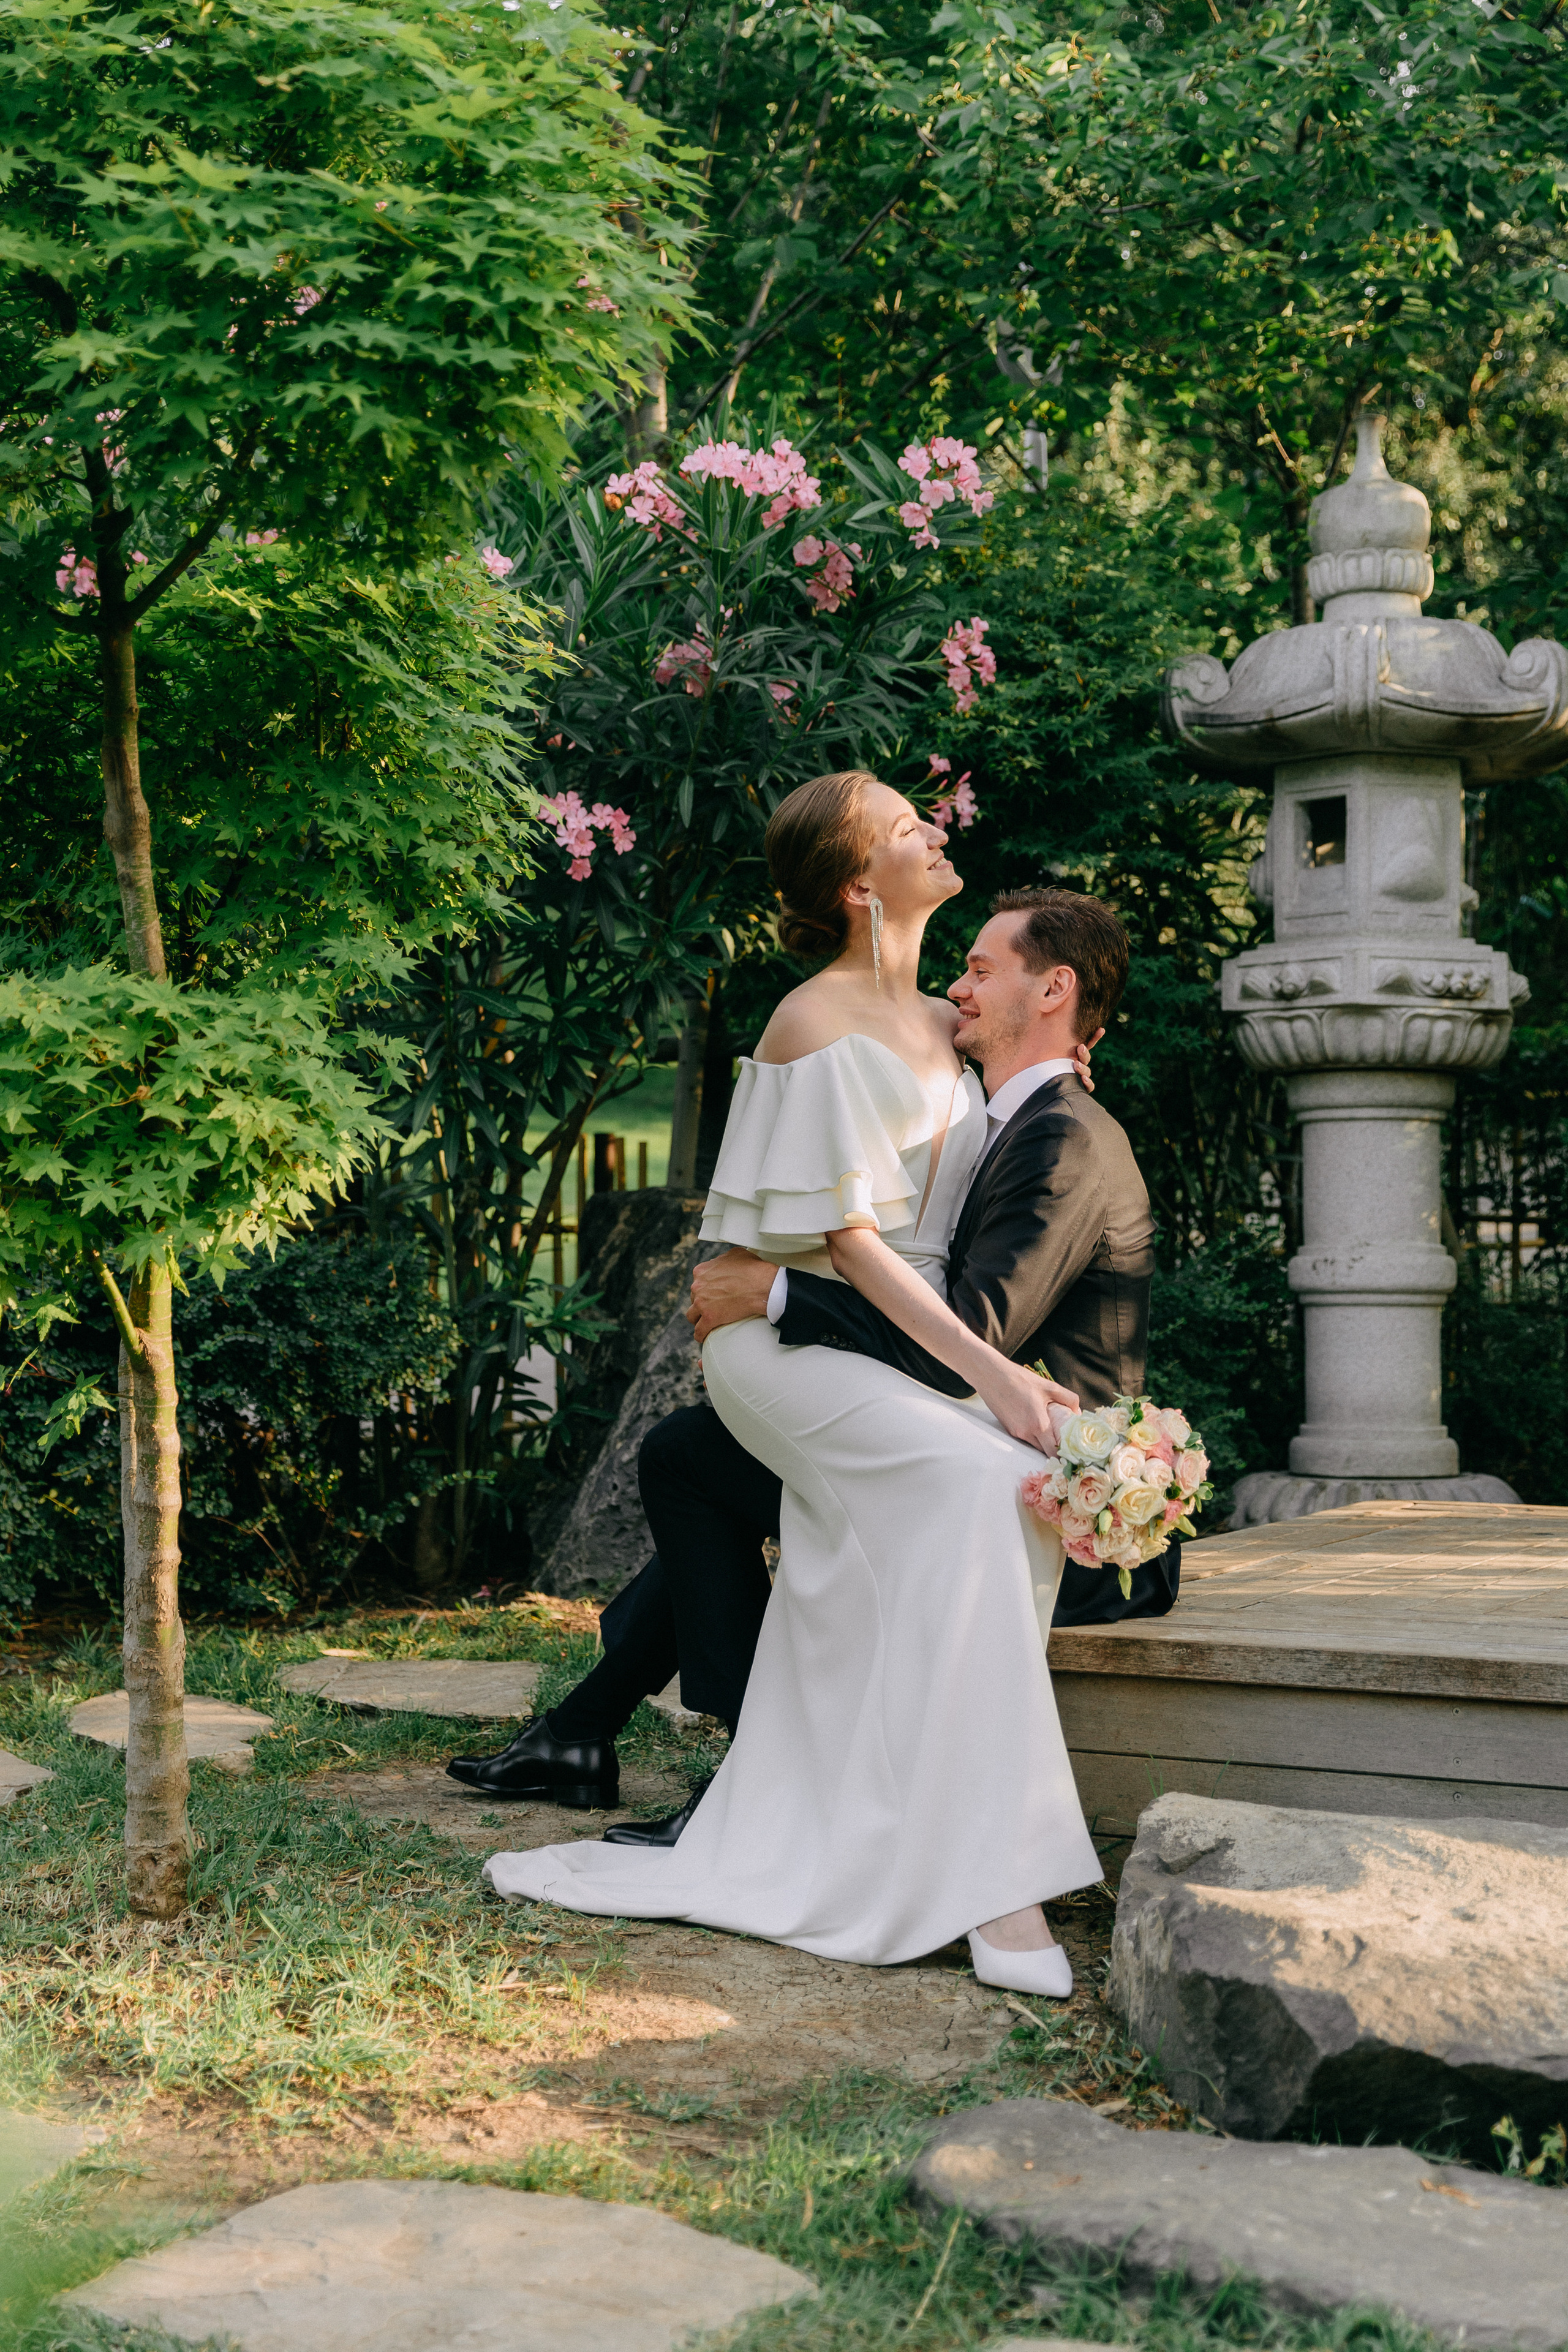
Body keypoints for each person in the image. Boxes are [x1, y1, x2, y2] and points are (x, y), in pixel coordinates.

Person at [478, 768, 1147, 1996]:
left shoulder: (946, 1031)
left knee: (992, 1498)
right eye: (903, 829)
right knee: (984, 1480)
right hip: (786, 1351)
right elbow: (846, 1241)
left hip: (884, 1351)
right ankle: (1003, 1893)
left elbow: (997, 1119)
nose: (931, 831)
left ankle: (853, 1824)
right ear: (856, 886)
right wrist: (997, 1380)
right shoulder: (812, 1019)